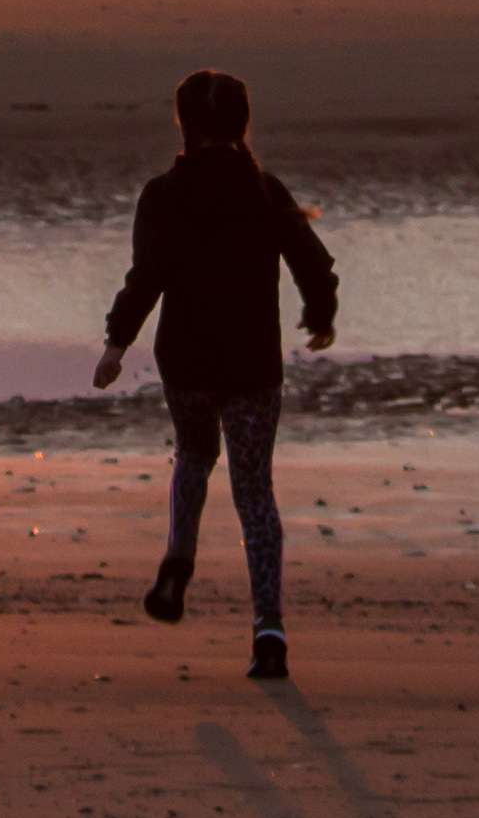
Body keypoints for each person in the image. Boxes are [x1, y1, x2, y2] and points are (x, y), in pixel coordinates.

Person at [93, 65, 341, 681]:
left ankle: (178, 562)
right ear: (242, 123)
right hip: (253, 364)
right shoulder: (264, 191)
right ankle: (269, 631)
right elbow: (311, 260)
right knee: (255, 492)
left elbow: (145, 276)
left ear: (184, 124)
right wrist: (321, 314)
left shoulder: (165, 195)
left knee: (194, 456)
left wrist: (116, 343)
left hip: (189, 363)